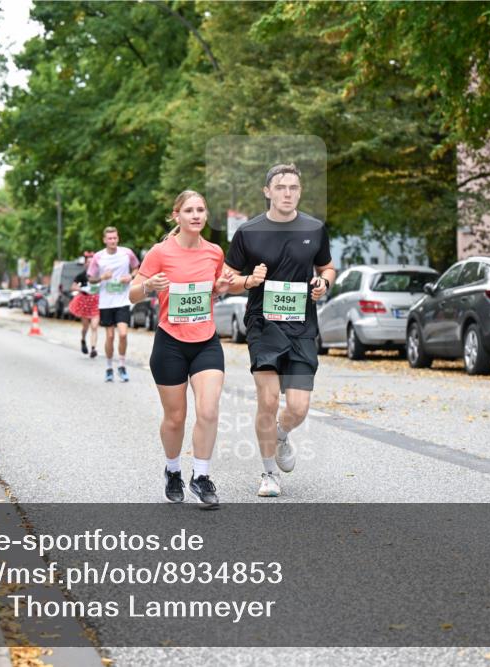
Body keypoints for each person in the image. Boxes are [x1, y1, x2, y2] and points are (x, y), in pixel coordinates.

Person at [223, 163, 336, 497]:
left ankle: (282, 434)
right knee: (269, 399)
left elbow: (327, 267)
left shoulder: (315, 228)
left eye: (294, 188)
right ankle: (268, 473)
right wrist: (249, 281)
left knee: (298, 407)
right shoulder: (249, 232)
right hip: (263, 326)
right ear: (267, 191)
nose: (288, 193)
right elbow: (225, 281)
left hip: (302, 327)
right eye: (281, 187)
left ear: (300, 192)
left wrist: (323, 284)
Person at [129, 191, 232, 508]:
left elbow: (219, 285)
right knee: (175, 417)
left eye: (201, 209)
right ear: (177, 216)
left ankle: (200, 477)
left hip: (206, 341)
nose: (196, 215)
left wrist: (225, 287)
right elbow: (132, 294)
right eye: (189, 210)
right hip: (170, 343)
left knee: (209, 410)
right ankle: (173, 470)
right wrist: (149, 286)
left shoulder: (214, 252)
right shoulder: (160, 253)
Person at [89, 227, 140, 382]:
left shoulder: (127, 253)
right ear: (104, 240)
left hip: (123, 300)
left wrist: (130, 276)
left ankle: (122, 365)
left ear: (118, 238)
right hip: (106, 302)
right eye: (109, 238)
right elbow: (90, 278)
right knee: (110, 336)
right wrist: (101, 277)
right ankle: (109, 367)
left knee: (123, 333)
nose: (112, 241)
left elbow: (137, 268)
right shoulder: (98, 257)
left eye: (115, 238)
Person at [69, 251, 100, 357]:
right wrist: (81, 288)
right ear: (85, 264)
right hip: (85, 303)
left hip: (96, 302)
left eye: (93, 262)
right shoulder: (81, 276)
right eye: (88, 262)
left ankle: (93, 348)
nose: (90, 264)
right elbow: (73, 286)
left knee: (94, 326)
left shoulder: (98, 274)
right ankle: (83, 340)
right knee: (85, 326)